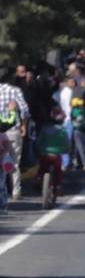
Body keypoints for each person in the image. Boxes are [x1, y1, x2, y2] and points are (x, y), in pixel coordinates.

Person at [1, 68, 31, 197]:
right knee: (14, 162)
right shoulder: (15, 90)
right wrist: (24, 126)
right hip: (13, 130)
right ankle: (15, 190)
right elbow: (24, 109)